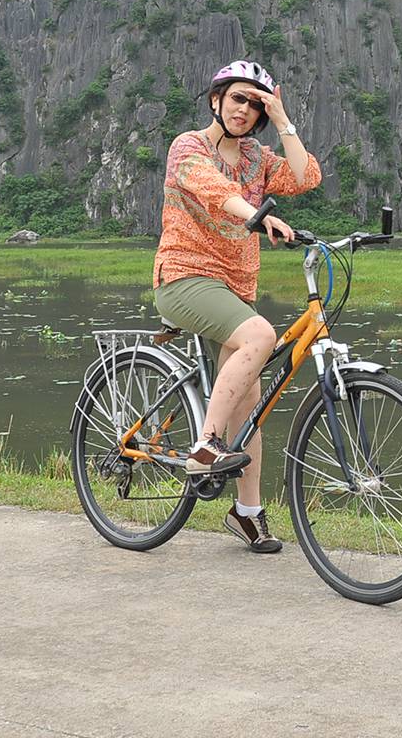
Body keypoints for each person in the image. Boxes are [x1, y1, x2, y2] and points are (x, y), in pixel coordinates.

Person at [151, 59, 322, 553]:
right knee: (261, 336)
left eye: (255, 103)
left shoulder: (258, 159)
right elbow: (216, 191)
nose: (245, 109)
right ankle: (205, 446)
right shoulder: (188, 146)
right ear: (216, 100)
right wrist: (258, 216)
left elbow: (305, 175)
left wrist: (284, 117)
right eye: (237, 98)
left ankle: (247, 513)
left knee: (250, 407)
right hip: (184, 278)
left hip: (234, 289)